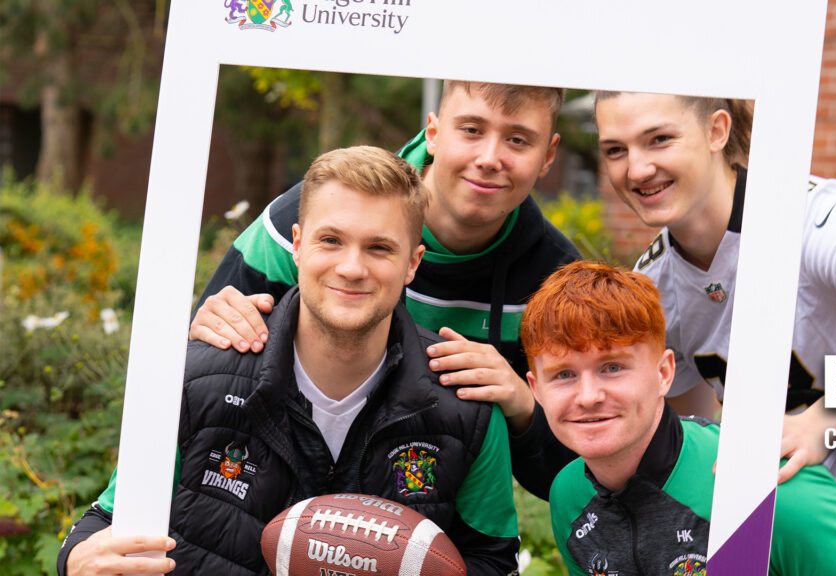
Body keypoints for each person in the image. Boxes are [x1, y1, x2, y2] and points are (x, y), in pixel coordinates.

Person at [56, 147, 519, 575]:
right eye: (331, 240)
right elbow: (108, 524)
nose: (352, 268)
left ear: (413, 263)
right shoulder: (196, 379)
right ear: (297, 244)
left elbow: (493, 562)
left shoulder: (467, 408)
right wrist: (75, 560)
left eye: (379, 248)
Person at [594, 91, 836, 572]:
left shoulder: (812, 217)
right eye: (615, 150)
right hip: (774, 540)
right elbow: (693, 438)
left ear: (716, 131)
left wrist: (821, 424)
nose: (637, 169)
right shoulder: (653, 285)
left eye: (658, 139)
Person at [190, 81, 579, 499]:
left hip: (423, 519)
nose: (488, 158)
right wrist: (207, 328)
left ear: (548, 156)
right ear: (433, 132)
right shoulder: (312, 217)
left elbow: (573, 482)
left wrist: (523, 409)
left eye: (518, 140)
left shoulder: (559, 284)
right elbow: (196, 382)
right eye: (471, 130)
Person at [522, 261, 836, 575]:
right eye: (564, 375)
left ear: (664, 373)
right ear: (536, 389)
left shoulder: (768, 486)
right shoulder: (568, 496)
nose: (589, 397)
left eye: (612, 368)